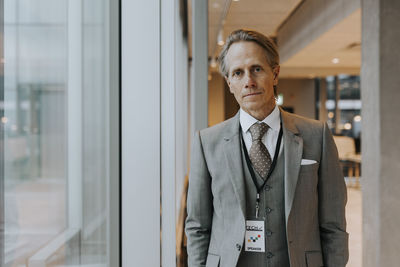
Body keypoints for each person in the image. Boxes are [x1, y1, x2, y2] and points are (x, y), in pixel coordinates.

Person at [185, 29, 348, 267]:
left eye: (257, 69)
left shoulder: (317, 135)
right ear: (229, 83)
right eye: (238, 73)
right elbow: (198, 227)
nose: (248, 81)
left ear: (275, 73)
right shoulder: (206, 142)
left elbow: (333, 225)